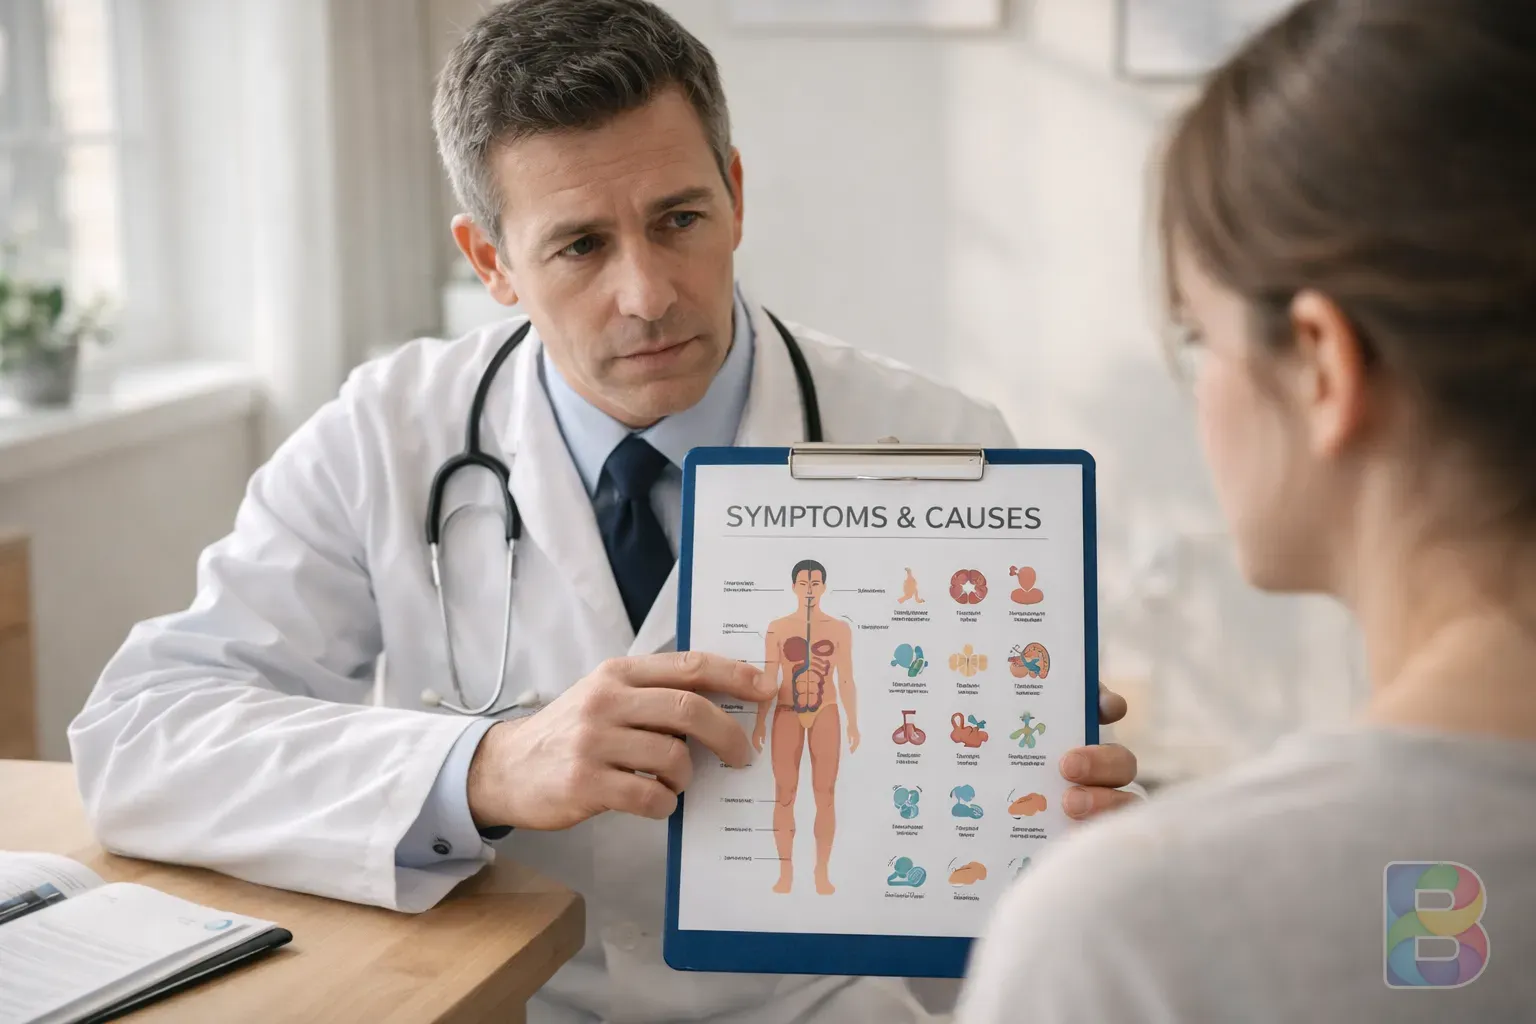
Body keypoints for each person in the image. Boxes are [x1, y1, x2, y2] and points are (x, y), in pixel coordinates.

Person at [67, 2, 1139, 1021]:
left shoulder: (944, 446)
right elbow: (138, 736)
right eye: (581, 245)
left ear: (735, 193)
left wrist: (1063, 833)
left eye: (679, 219)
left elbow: (1000, 899)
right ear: (491, 261)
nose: (649, 294)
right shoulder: (387, 433)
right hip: (500, 1006)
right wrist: (486, 767)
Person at [957, 1, 1536, 1020]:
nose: (1200, 395)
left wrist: (1150, 885)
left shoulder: (1126, 938)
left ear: (1321, 363)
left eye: (1200, 337)